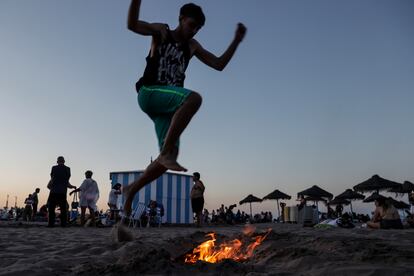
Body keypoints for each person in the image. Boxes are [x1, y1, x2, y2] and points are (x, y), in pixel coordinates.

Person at [122, 0, 247, 217]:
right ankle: (166, 153)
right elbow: (132, 25)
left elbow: (218, 64)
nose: (194, 31)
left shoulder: (193, 46)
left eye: (198, 28)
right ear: (180, 19)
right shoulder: (161, 32)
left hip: (169, 106)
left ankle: (130, 191)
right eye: (191, 25)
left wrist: (236, 41)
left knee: (165, 161)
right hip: (150, 92)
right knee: (193, 99)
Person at [47, 156, 76, 227]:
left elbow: (53, 178)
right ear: (64, 161)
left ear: (57, 161)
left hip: (54, 191)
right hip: (62, 192)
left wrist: (50, 186)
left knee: (51, 208)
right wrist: (71, 186)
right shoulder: (68, 169)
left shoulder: (54, 168)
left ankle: (51, 224)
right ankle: (63, 224)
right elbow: (66, 181)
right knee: (63, 209)